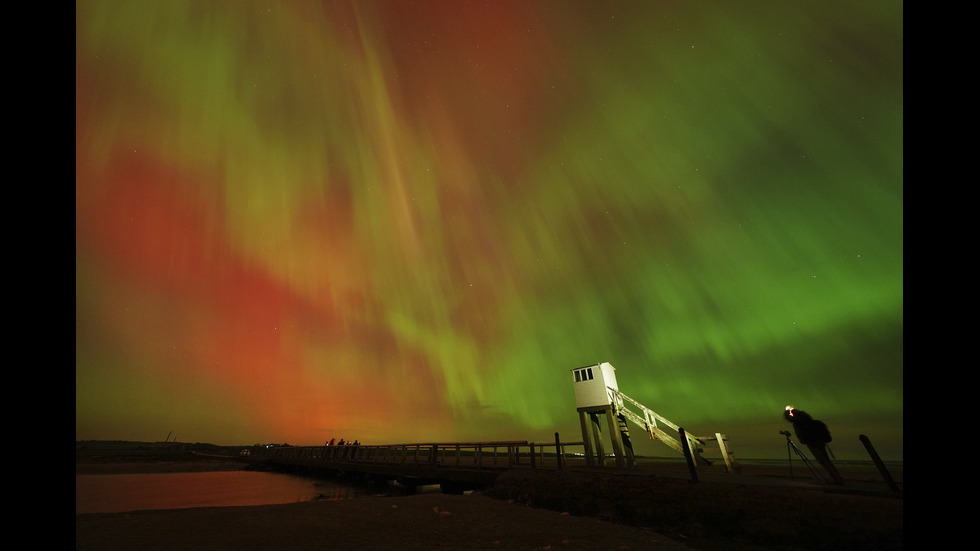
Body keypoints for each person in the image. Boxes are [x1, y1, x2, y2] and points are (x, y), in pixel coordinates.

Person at [784, 406, 845, 484]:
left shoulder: (800, 420)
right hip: (818, 441)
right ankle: (837, 477)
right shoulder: (805, 418)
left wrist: (788, 414)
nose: (791, 412)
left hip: (812, 442)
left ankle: (837, 478)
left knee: (823, 461)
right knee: (826, 460)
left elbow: (797, 424)